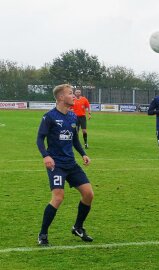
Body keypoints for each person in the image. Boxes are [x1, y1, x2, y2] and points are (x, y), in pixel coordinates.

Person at [36, 84, 94, 246]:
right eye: (70, 93)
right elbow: (40, 139)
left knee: (88, 194)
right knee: (58, 197)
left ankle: (78, 227)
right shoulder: (49, 117)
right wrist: (46, 156)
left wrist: (83, 154)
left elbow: (74, 139)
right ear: (61, 97)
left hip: (71, 164)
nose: (74, 96)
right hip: (56, 165)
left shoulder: (73, 117)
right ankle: (43, 234)